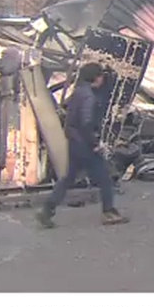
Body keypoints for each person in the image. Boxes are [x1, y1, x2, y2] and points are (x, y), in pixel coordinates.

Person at [36, 62, 129, 228]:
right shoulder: (89, 97)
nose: (102, 79)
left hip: (74, 142)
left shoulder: (78, 92)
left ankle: (47, 210)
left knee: (68, 179)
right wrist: (95, 143)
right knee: (105, 178)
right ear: (96, 78)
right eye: (100, 76)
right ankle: (109, 212)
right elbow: (86, 123)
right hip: (85, 145)